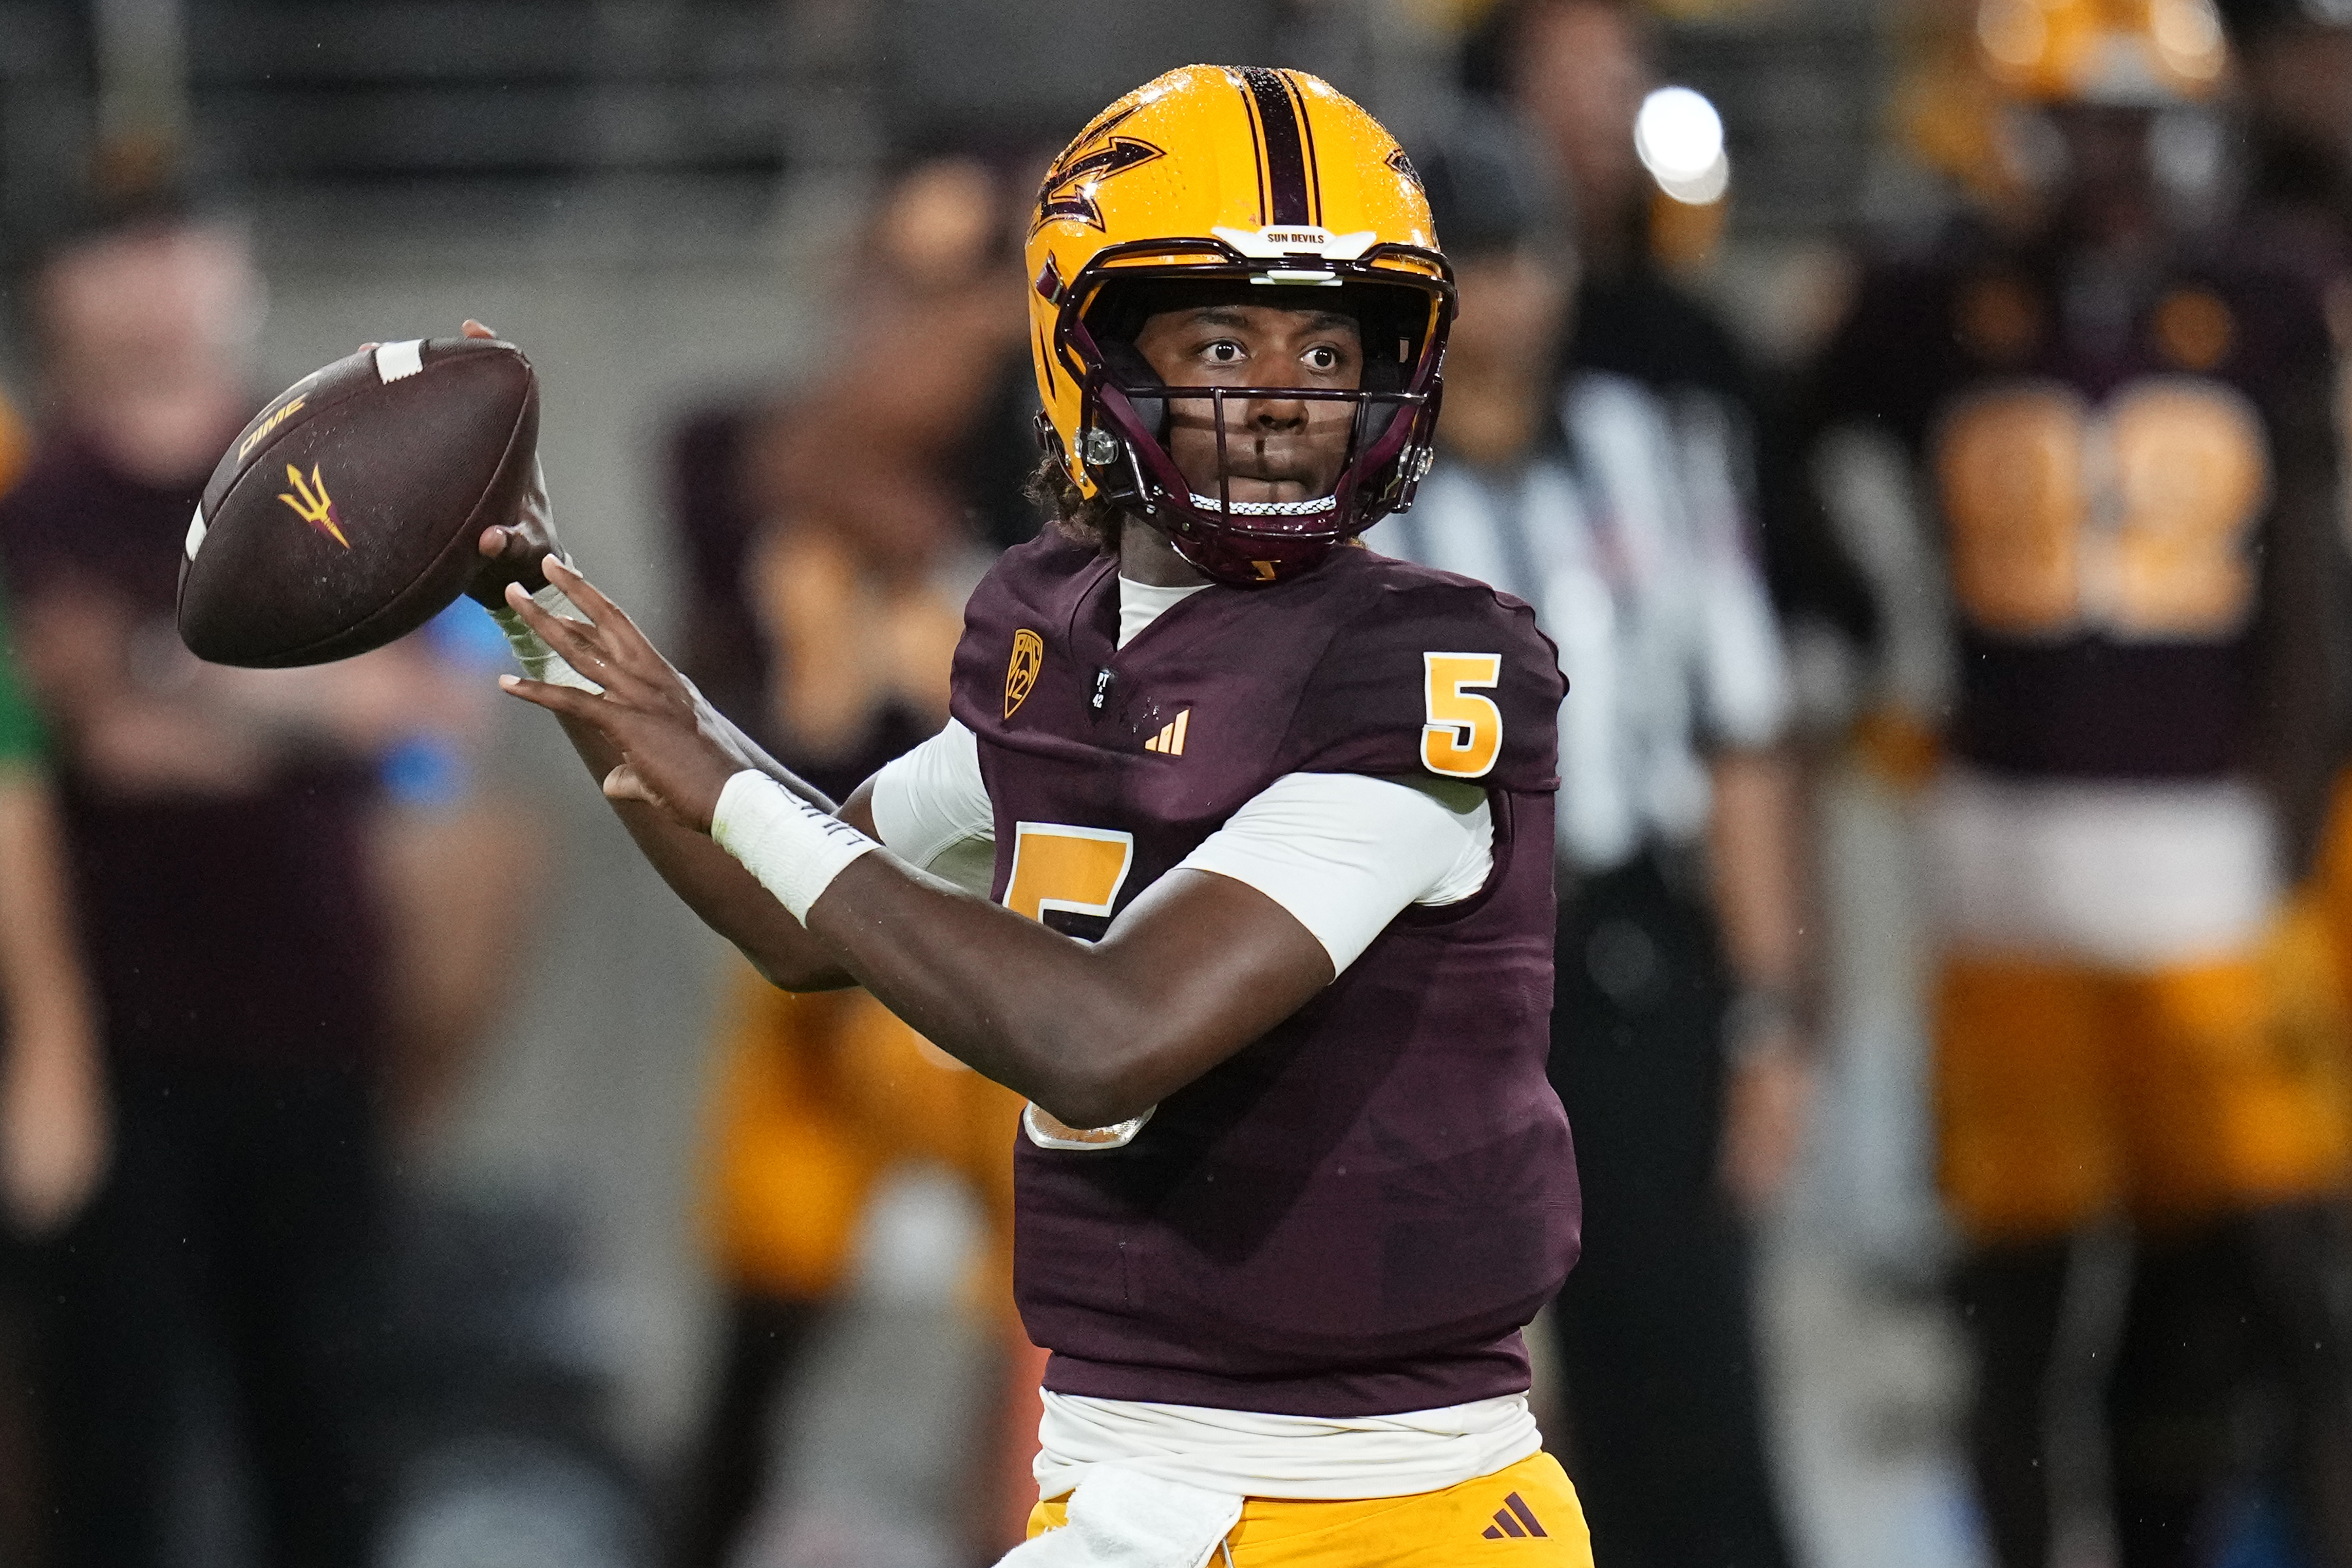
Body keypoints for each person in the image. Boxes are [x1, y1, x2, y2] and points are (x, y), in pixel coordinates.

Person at [465, 64, 1590, 1567]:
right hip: (1120, 1484)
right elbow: (802, 914)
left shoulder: (1427, 665)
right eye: (1217, 339)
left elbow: (1102, 1030)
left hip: (1385, 1509)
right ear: (1087, 346)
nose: (1281, 399)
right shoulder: (1057, 635)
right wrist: (534, 612)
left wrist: (719, 769)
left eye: (1329, 345)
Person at [1796, 3, 2352, 1563]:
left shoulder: (2267, 290)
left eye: (2139, 126)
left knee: (2255, 1289)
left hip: (2209, 879)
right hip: (2008, 876)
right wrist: (1856, 626)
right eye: (2077, 125)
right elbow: (1779, 449)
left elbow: (2309, 575)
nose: (2110, 163)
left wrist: (2293, 820)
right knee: (2021, 1306)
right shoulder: (1926, 305)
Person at [0, 192, 533, 1568]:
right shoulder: (36, 505)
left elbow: (434, 710)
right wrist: (288, 689)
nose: (158, 282)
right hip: (101, 1039)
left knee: (330, 1431)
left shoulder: (331, 472)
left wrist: (156, 669)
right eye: (116, 248)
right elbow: (94, 753)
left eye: (185, 240)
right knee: (106, 1442)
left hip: (316, 1012)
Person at [1371, 116, 1803, 1568]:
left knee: (1682, 1374)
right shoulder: (1345, 498)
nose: (1499, 294)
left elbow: (1741, 734)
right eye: (1463, 261)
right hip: (1410, 981)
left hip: (1621, 956)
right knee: (1417, 1404)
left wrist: (1769, 1015)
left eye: (1517, 254)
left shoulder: (1653, 449)